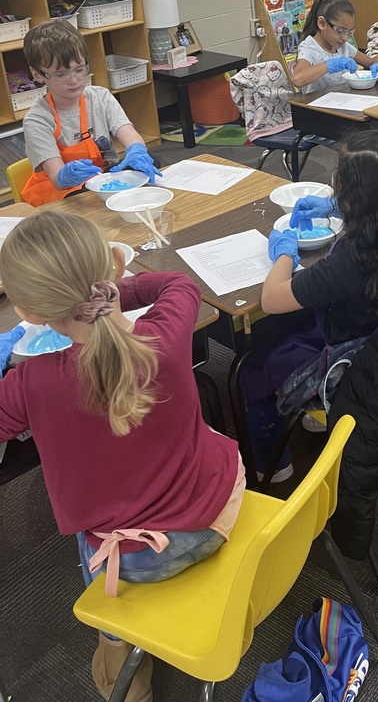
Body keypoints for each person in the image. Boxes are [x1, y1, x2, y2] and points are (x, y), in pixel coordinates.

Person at [0, 212, 244, 702]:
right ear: (109, 274)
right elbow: (178, 283)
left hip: (135, 564)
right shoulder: (165, 333)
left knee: (87, 534)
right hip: (218, 514)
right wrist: (118, 294)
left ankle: (122, 659)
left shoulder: (27, 385)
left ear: (26, 312)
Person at [242, 127, 378, 479]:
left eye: (340, 176)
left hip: (355, 362)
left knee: (250, 370)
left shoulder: (354, 259)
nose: (333, 179)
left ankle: (274, 465)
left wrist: (284, 256)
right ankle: (315, 421)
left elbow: (272, 299)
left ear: (356, 192)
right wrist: (337, 207)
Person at [21, 20, 161, 206]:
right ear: (38, 75)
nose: (74, 80)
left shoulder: (100, 97)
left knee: (152, 162)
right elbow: (56, 178)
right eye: (61, 74)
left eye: (80, 70)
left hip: (102, 175)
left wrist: (137, 151)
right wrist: (66, 175)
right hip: (63, 189)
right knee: (84, 197)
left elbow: (129, 134)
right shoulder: (37, 120)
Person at [291, 0, 378, 94]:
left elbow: (370, 62)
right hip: (317, 106)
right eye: (340, 31)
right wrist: (330, 65)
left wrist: (376, 67)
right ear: (322, 23)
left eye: (349, 33)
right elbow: (297, 79)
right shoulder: (309, 48)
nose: (345, 38)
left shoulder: (343, 47)